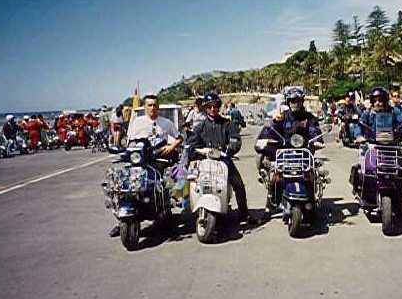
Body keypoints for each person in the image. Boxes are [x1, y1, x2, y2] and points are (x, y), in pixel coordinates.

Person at [109, 94, 184, 237]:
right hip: (140, 159)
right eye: (149, 105)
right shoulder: (137, 122)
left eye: (155, 105)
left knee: (160, 182)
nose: (152, 108)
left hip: (159, 158)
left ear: (158, 107)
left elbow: (180, 137)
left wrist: (172, 146)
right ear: (145, 107)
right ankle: (121, 220)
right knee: (124, 183)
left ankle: (162, 210)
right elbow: (130, 142)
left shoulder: (166, 123)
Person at [185, 92, 258, 226]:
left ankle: (244, 213)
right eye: (209, 107)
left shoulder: (227, 123)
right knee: (192, 182)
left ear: (218, 107)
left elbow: (235, 139)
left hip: (223, 160)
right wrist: (194, 151)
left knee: (238, 185)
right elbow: (190, 143)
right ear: (205, 108)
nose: (213, 109)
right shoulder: (199, 127)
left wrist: (229, 150)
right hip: (204, 161)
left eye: (215, 106)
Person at [255, 86, 323, 220]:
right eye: (292, 100)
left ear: (302, 101)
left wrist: (317, 140)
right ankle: (269, 206)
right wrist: (274, 123)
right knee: (275, 177)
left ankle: (312, 202)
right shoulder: (282, 117)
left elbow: (315, 130)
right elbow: (269, 132)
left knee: (310, 175)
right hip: (285, 153)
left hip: (303, 153)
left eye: (298, 100)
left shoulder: (309, 117)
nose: (295, 103)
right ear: (287, 102)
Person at [358, 87, 402, 214]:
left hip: (393, 146)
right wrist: (358, 136)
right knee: (369, 170)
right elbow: (359, 125)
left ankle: (398, 200)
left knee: (399, 171)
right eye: (375, 100)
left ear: (386, 100)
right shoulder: (368, 113)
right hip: (373, 145)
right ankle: (367, 198)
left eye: (381, 100)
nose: (378, 103)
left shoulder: (395, 111)